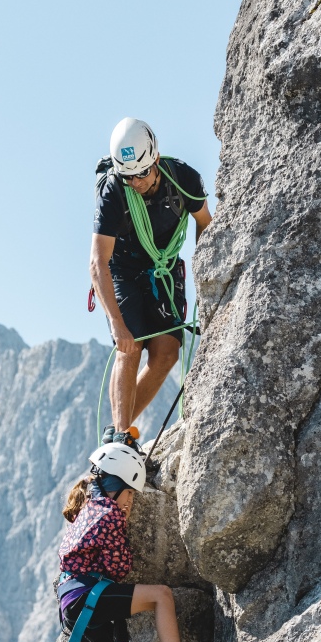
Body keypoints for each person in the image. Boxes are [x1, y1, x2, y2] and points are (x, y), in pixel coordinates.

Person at [56, 442, 220, 642]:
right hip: (88, 597)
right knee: (161, 595)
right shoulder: (109, 514)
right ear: (116, 487)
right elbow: (120, 567)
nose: (131, 502)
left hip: (73, 610)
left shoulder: (87, 511)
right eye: (130, 493)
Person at [90, 118, 212, 447]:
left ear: (156, 160)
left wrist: (208, 277)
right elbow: (97, 261)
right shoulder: (115, 191)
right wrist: (117, 325)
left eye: (142, 173)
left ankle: (121, 430)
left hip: (164, 266)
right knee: (129, 348)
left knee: (166, 354)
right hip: (123, 270)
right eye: (129, 176)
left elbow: (206, 225)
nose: (137, 182)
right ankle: (119, 435)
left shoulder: (184, 179)